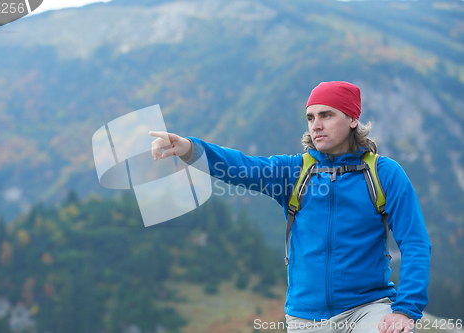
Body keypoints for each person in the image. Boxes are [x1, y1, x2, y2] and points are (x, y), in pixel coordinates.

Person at [149, 81, 431, 333]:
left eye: (326, 115)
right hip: (305, 317)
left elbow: (415, 242)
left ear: (352, 119)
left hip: (367, 308)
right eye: (310, 117)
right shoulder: (294, 172)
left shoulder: (384, 174)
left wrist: (406, 310)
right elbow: (241, 167)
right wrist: (188, 148)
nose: (315, 125)